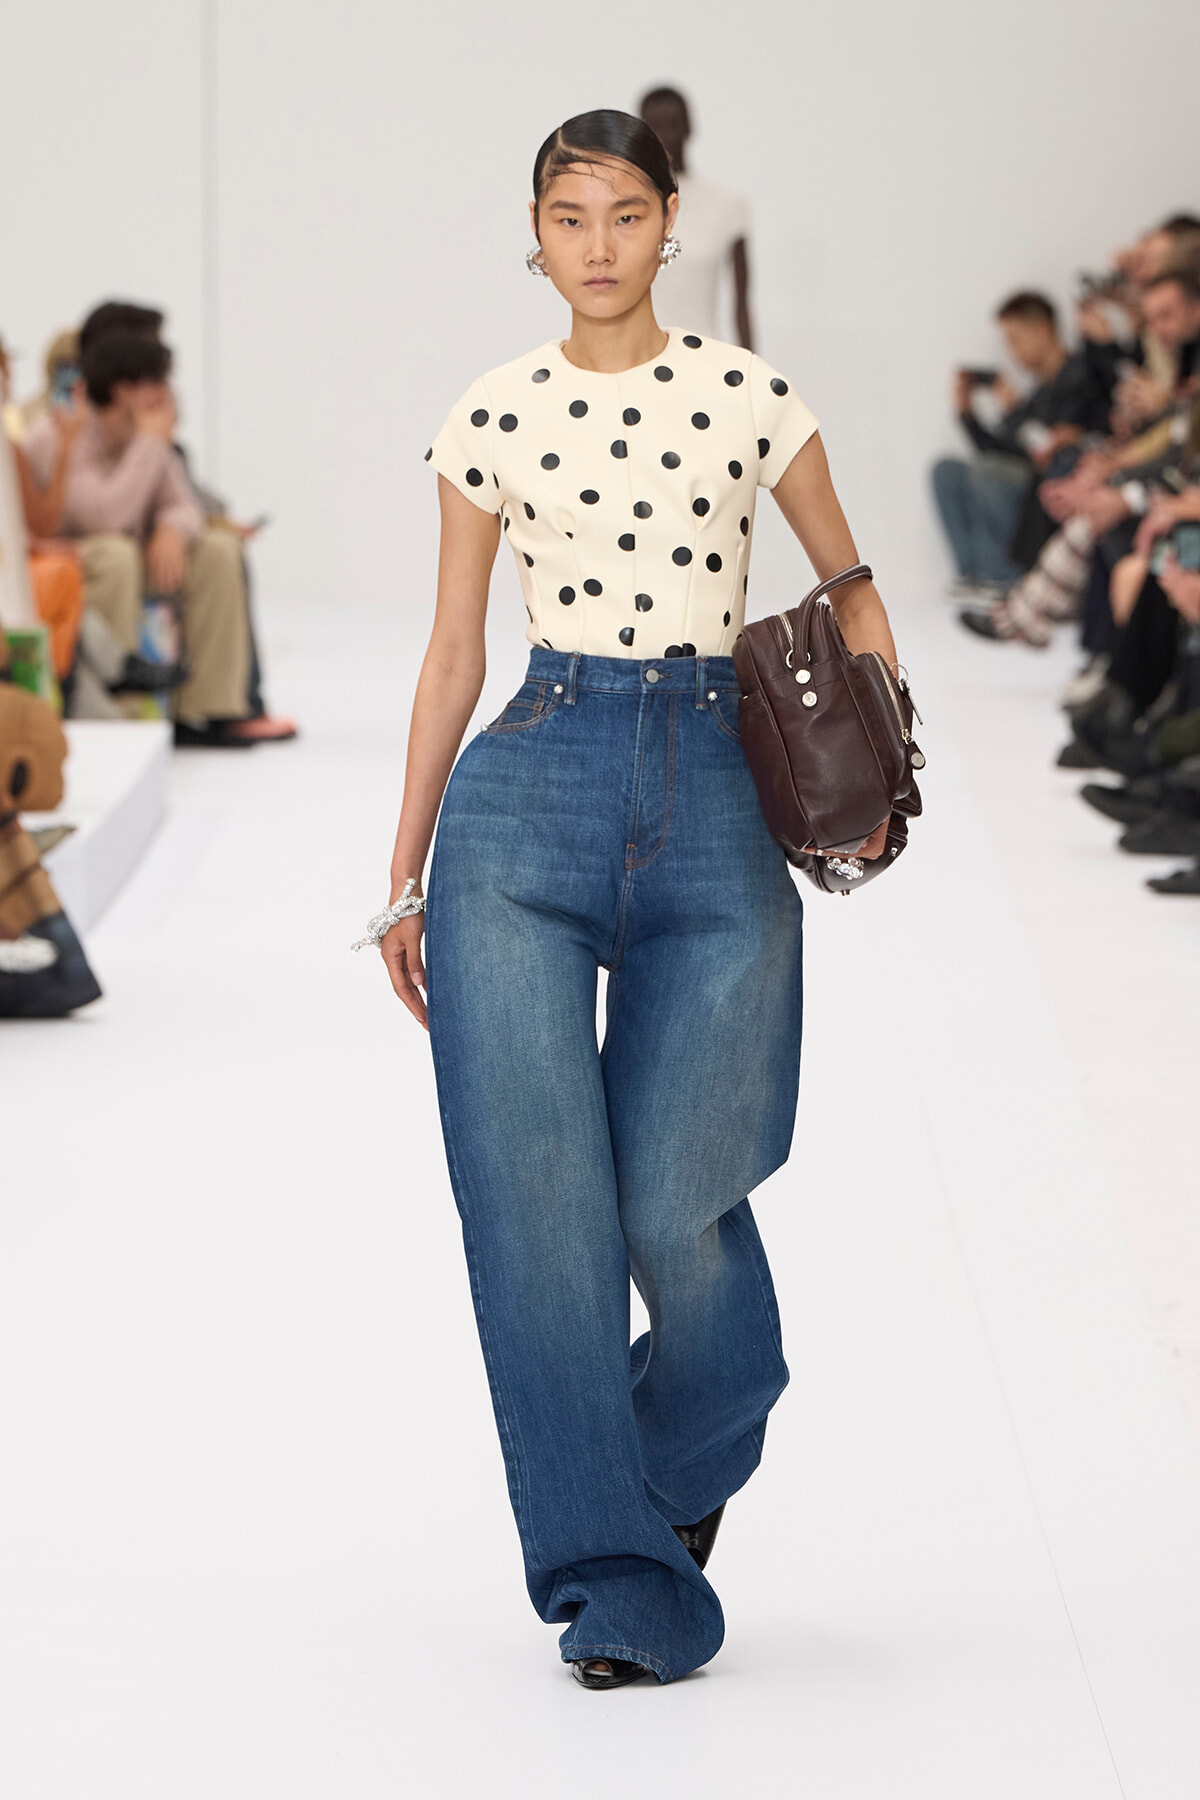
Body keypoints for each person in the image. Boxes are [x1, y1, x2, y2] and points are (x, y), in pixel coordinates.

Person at [366, 108, 900, 1689]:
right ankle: (626, 1583)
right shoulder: (492, 410)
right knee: (537, 1217)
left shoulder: (753, 395)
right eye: (565, 216)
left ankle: (684, 1449)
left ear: (673, 223)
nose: (595, 243)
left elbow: (846, 579)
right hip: (528, 788)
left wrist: (880, 746)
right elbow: (455, 650)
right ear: (533, 237)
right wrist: (401, 874)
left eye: (623, 213)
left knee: (682, 1197)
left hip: (717, 785)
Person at [21, 332, 254, 746]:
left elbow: (184, 506)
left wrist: (169, 528)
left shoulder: (143, 434)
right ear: (123, 390)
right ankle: (120, 712)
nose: (166, 395)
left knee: (217, 551)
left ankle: (207, 710)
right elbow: (102, 516)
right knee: (117, 554)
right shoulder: (62, 430)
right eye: (155, 383)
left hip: (137, 556)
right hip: (77, 557)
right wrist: (149, 444)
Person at [933, 291, 1102, 600]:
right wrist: (966, 414)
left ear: (1042, 330)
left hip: (1057, 482)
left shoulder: (1081, 376)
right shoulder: (1040, 391)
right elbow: (1001, 450)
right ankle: (973, 574)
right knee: (946, 470)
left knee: (988, 472)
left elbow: (1045, 450)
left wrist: (1013, 410)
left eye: (1015, 339)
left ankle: (1003, 577)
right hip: (1025, 477)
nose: (1012, 351)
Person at [638, 86, 753, 348]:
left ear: (689, 128)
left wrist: (752, 376)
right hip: (637, 360)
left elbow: (742, 305)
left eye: (673, 124)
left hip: (704, 358)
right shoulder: (624, 208)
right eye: (655, 127)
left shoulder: (726, 204)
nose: (666, 136)